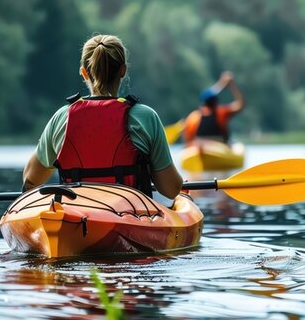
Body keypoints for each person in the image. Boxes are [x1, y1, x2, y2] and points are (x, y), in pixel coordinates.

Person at [21, 34, 183, 199]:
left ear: (84, 73)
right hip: (130, 214)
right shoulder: (146, 117)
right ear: (123, 70)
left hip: (77, 215)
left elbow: (30, 180)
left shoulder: (63, 117)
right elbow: (171, 189)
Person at [183, 71, 245, 145]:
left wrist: (222, 83)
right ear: (216, 101)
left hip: (200, 148)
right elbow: (240, 104)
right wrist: (232, 85)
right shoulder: (221, 112)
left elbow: (187, 140)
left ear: (203, 103)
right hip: (220, 147)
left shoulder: (193, 117)